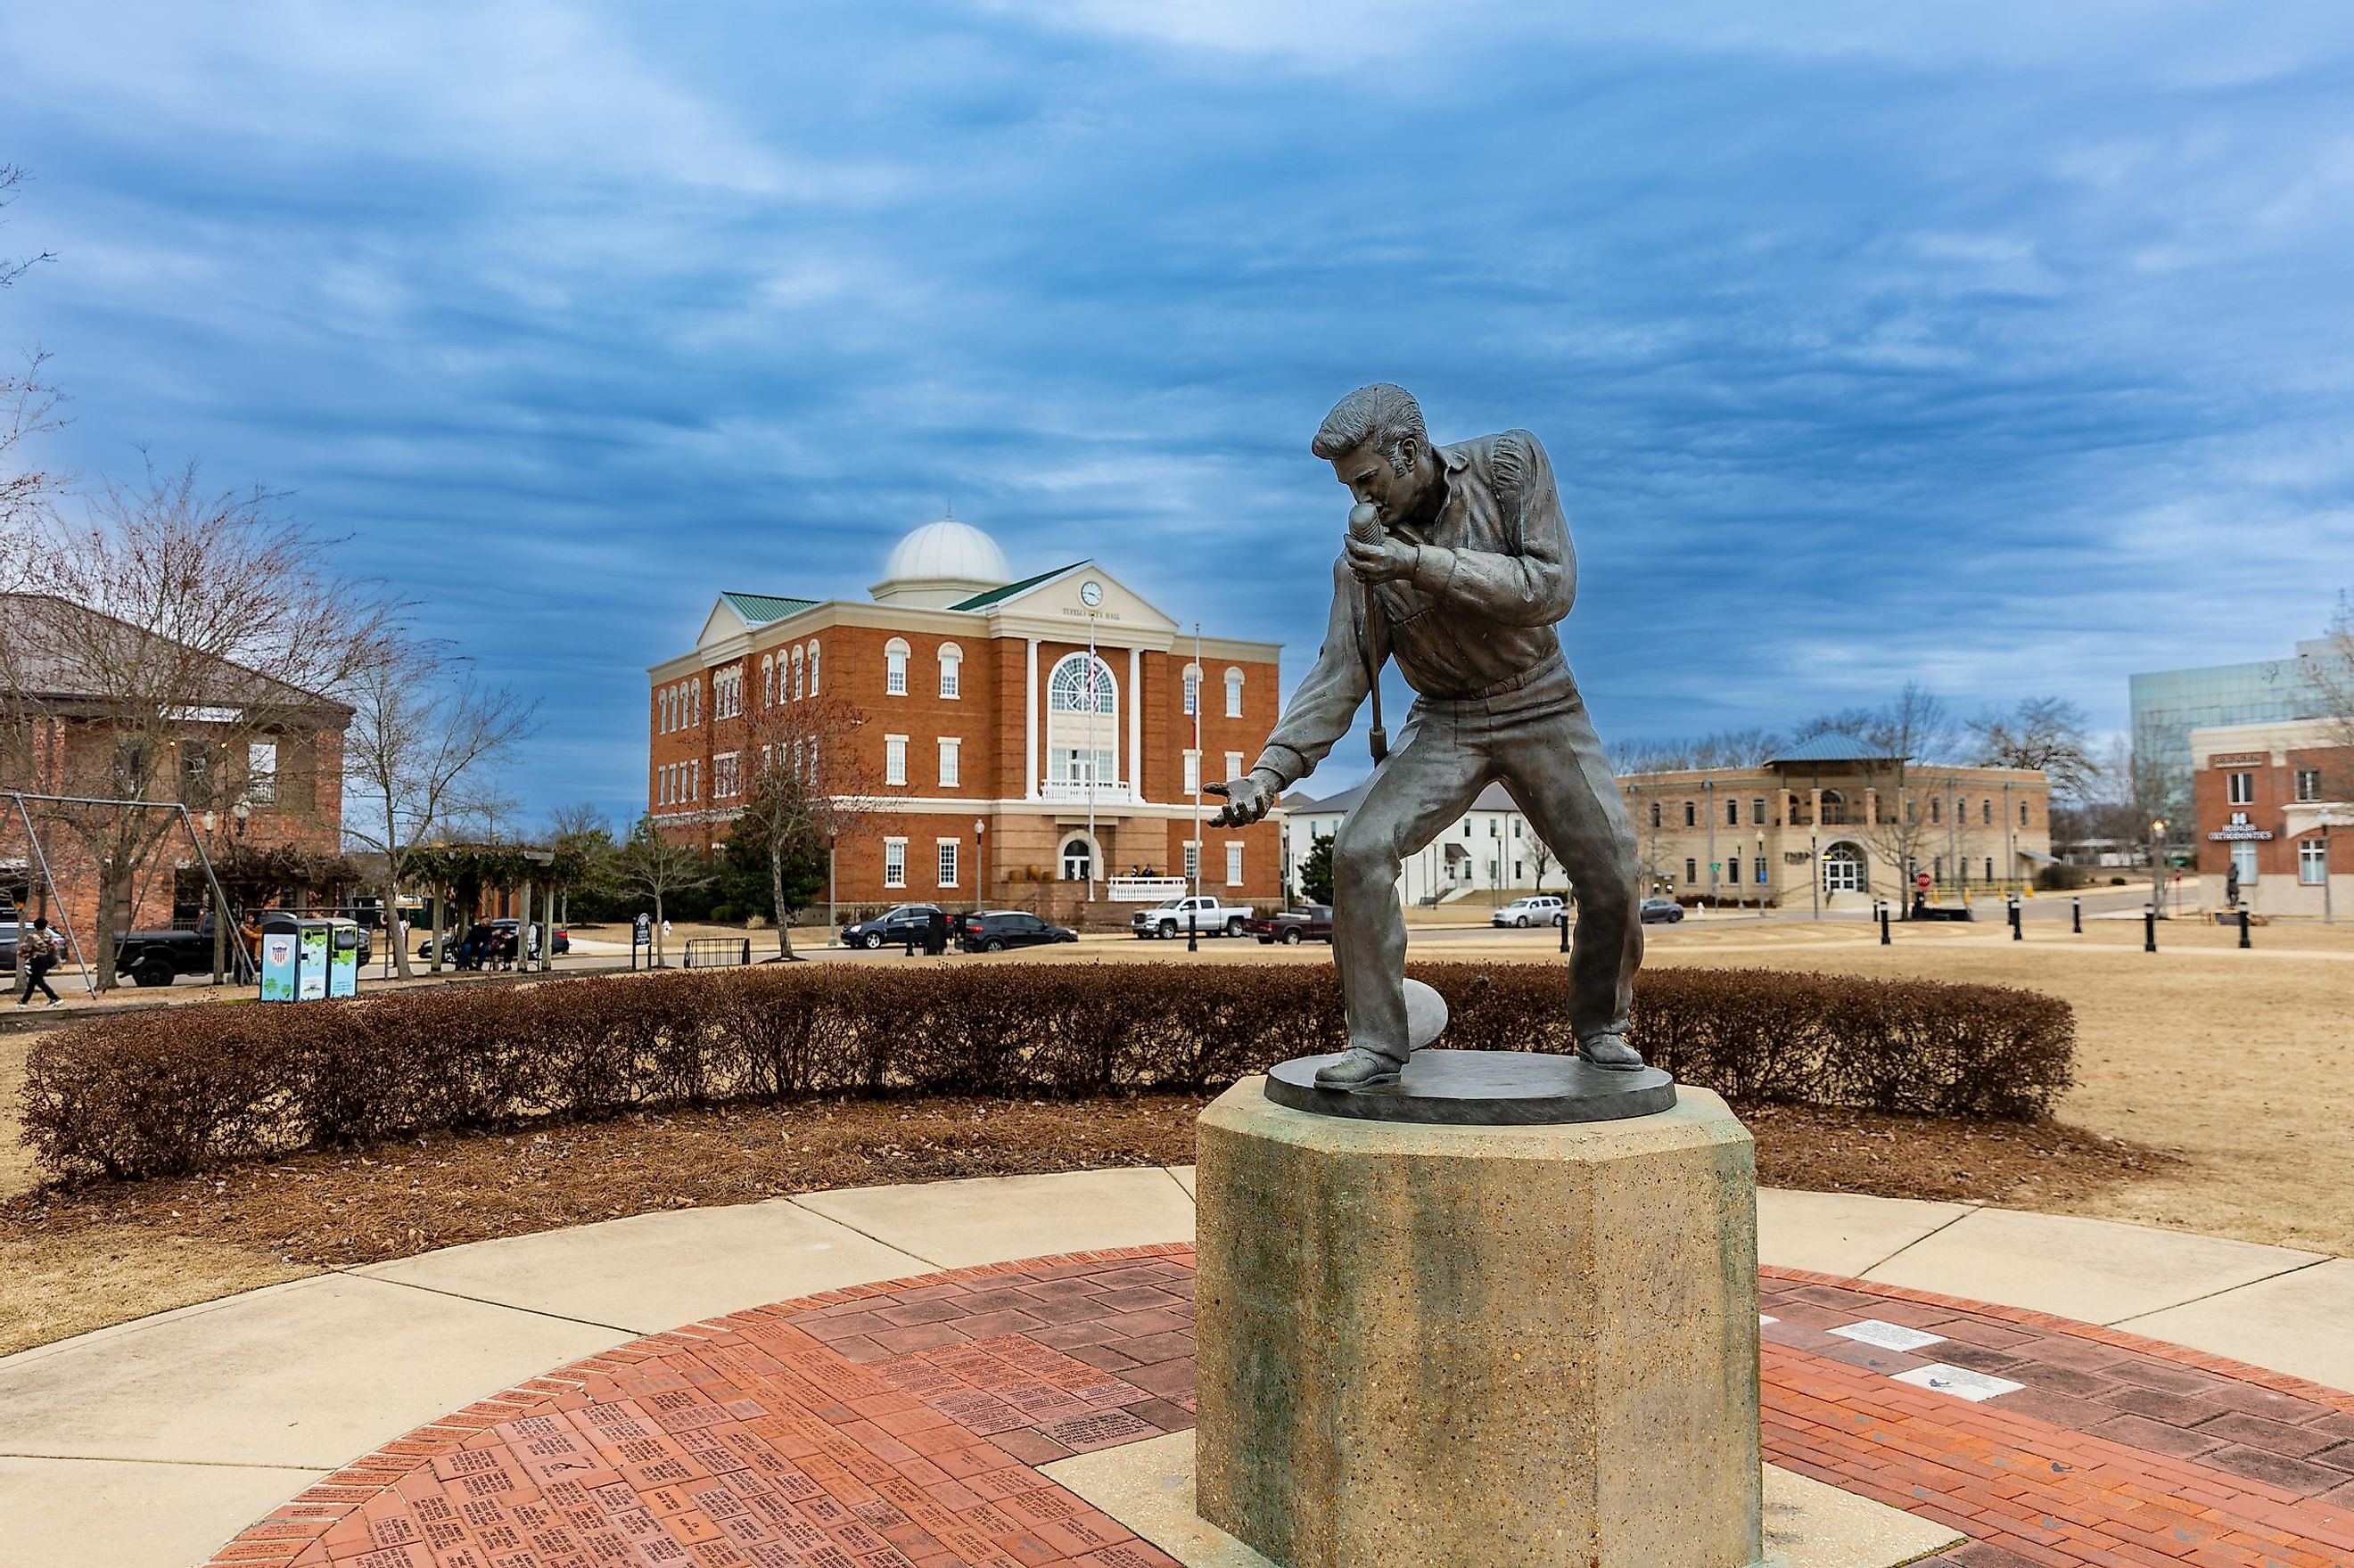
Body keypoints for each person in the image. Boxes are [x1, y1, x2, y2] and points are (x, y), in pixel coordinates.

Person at [1210, 383, 1642, 1089]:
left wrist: (1421, 566)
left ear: (1410, 452)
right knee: (1358, 846)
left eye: (1366, 479)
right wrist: (1270, 774)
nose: (1357, 498)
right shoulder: (1362, 562)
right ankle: (1379, 1043)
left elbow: (1551, 585)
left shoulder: (1511, 466)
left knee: (1614, 869)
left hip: (1542, 703)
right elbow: (1341, 674)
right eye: (1348, 485)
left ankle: (1602, 1025)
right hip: (1444, 719)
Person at [16, 916, 63, 1007]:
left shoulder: (32, 937)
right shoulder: (47, 936)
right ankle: (23, 1001)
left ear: (35, 926)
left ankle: (55, 998)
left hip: (36, 960)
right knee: (32, 981)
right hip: (46, 960)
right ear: (45, 927)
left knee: (38, 980)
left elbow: (27, 948)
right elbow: (54, 948)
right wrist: (59, 961)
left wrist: (21, 952)